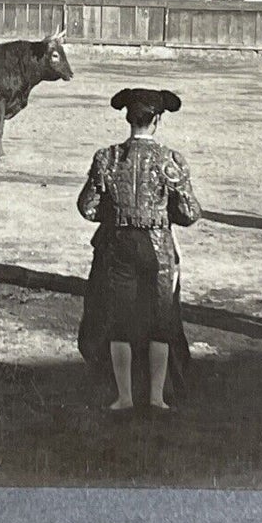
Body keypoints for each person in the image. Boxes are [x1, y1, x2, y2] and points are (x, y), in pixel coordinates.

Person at [77, 87, 201, 410]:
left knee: (119, 319)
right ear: (157, 120)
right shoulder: (170, 161)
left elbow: (87, 208)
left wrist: (115, 212)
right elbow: (190, 213)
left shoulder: (107, 157)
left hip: (118, 244)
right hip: (157, 246)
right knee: (160, 319)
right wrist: (163, 212)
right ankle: (157, 397)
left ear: (129, 119)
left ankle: (125, 397)